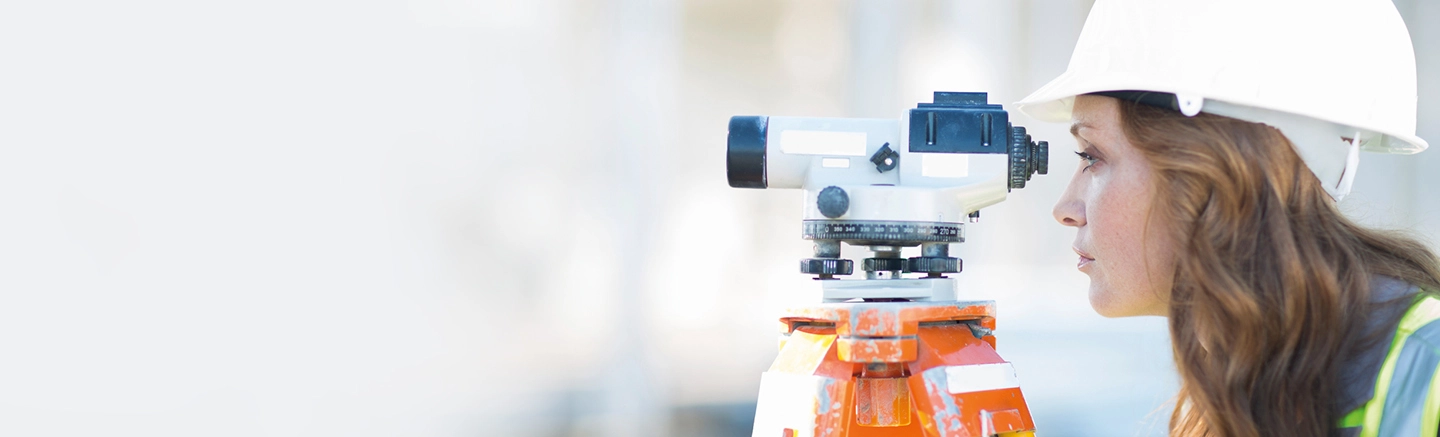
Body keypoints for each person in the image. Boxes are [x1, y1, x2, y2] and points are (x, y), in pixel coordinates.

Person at [1015, 1, 1440, 436]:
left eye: (1092, 156)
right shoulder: (1236, 386)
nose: (1065, 209)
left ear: (1209, 169)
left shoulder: (1429, 369)